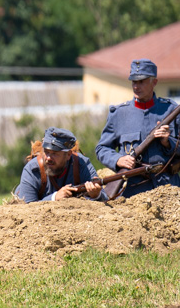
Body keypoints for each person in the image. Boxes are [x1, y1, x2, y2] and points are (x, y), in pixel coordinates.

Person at [95, 59, 180, 197]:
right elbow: (102, 149)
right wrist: (118, 160)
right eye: (134, 82)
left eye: (142, 82)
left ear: (154, 82)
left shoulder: (171, 110)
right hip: (133, 192)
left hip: (169, 188)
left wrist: (167, 142)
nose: (136, 86)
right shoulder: (118, 114)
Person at [14, 127, 104, 203]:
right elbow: (26, 209)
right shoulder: (32, 169)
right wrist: (55, 198)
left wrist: (96, 195)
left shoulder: (82, 164)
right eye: (46, 152)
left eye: (54, 153)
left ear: (68, 154)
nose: (48, 158)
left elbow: (105, 199)